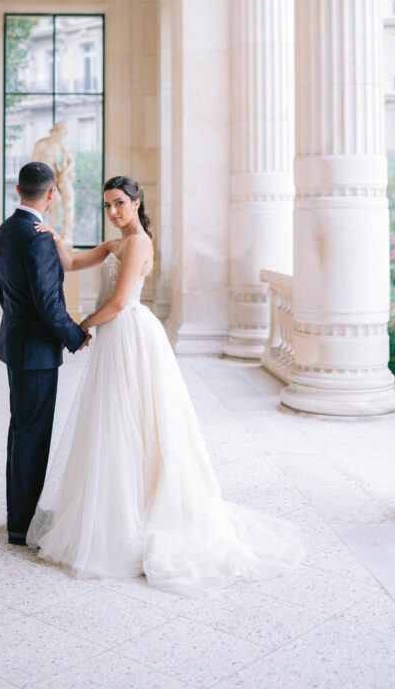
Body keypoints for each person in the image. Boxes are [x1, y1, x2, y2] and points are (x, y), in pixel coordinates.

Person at [27, 175, 304, 595]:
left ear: (136, 202)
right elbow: (71, 263)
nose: (114, 212)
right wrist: (53, 235)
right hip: (114, 337)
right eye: (107, 206)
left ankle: (141, 508)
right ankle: (117, 505)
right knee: (114, 419)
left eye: (120, 203)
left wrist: (81, 326)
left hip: (129, 333)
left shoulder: (137, 243)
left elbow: (120, 302)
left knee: (135, 417)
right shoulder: (115, 243)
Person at [0, 161, 90, 546]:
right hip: (37, 351)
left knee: (22, 431)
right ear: (51, 194)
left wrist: (19, 322)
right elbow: (49, 303)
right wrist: (74, 336)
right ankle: (23, 524)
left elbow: (0, 289)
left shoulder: (4, 231)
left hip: (16, 342)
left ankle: (19, 516)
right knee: (32, 436)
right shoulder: (39, 237)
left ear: (18, 190)